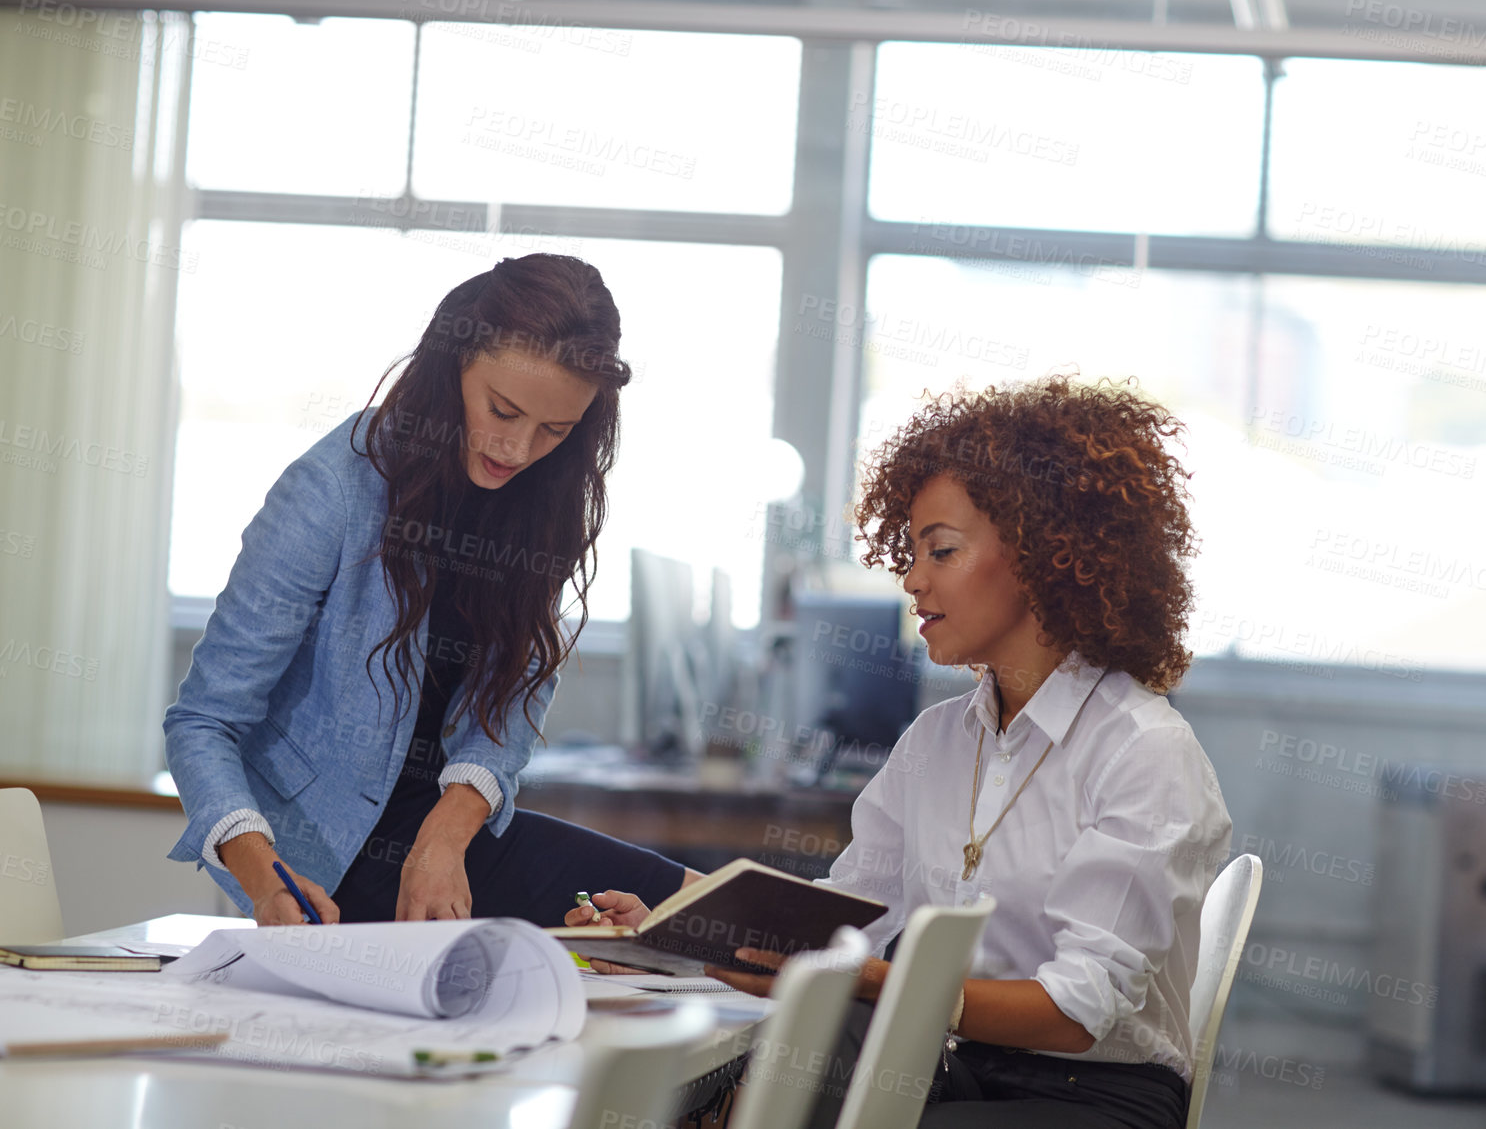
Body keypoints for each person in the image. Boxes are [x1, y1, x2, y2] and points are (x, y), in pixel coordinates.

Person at [602, 374, 1234, 1128]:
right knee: (732, 1083)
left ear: (1043, 553)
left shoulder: (1145, 753)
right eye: (910, 552)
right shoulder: (936, 741)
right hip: (950, 1067)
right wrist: (679, 932)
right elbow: (845, 922)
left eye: (941, 551)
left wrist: (874, 982)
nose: (911, 579)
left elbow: (1076, 1012)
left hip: (1092, 1099)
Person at [164, 253, 699, 927]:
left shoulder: (542, 496)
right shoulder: (331, 489)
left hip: (450, 837)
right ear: (451, 369)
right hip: (322, 868)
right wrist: (263, 877)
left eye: (553, 431)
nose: (518, 448)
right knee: (682, 925)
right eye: (502, 410)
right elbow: (204, 722)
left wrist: (446, 834)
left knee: (709, 912)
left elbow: (516, 693)